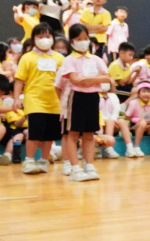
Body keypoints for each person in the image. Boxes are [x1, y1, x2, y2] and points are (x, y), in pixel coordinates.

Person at [59, 23, 111, 181]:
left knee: (89, 134)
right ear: (72, 42)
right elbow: (75, 80)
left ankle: (89, 165)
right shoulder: (69, 60)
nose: (83, 42)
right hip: (76, 97)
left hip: (93, 97)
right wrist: (95, 79)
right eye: (79, 39)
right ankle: (75, 168)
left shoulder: (95, 59)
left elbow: (107, 78)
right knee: (73, 133)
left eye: (85, 38)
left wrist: (89, 80)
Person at [14, 20, 64, 174]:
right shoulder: (27, 58)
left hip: (55, 102)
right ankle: (29, 160)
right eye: (40, 36)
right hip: (34, 100)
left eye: (48, 36)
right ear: (34, 39)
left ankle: (43, 160)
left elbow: (64, 81)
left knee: (49, 134)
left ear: (53, 38)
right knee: (35, 132)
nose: (44, 39)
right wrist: (16, 99)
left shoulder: (60, 58)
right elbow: (19, 80)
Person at [126, 83, 150, 158]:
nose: (146, 94)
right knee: (143, 123)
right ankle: (136, 147)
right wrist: (138, 120)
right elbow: (127, 117)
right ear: (139, 93)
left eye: (148, 92)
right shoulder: (133, 103)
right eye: (143, 91)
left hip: (149, 126)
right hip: (136, 126)